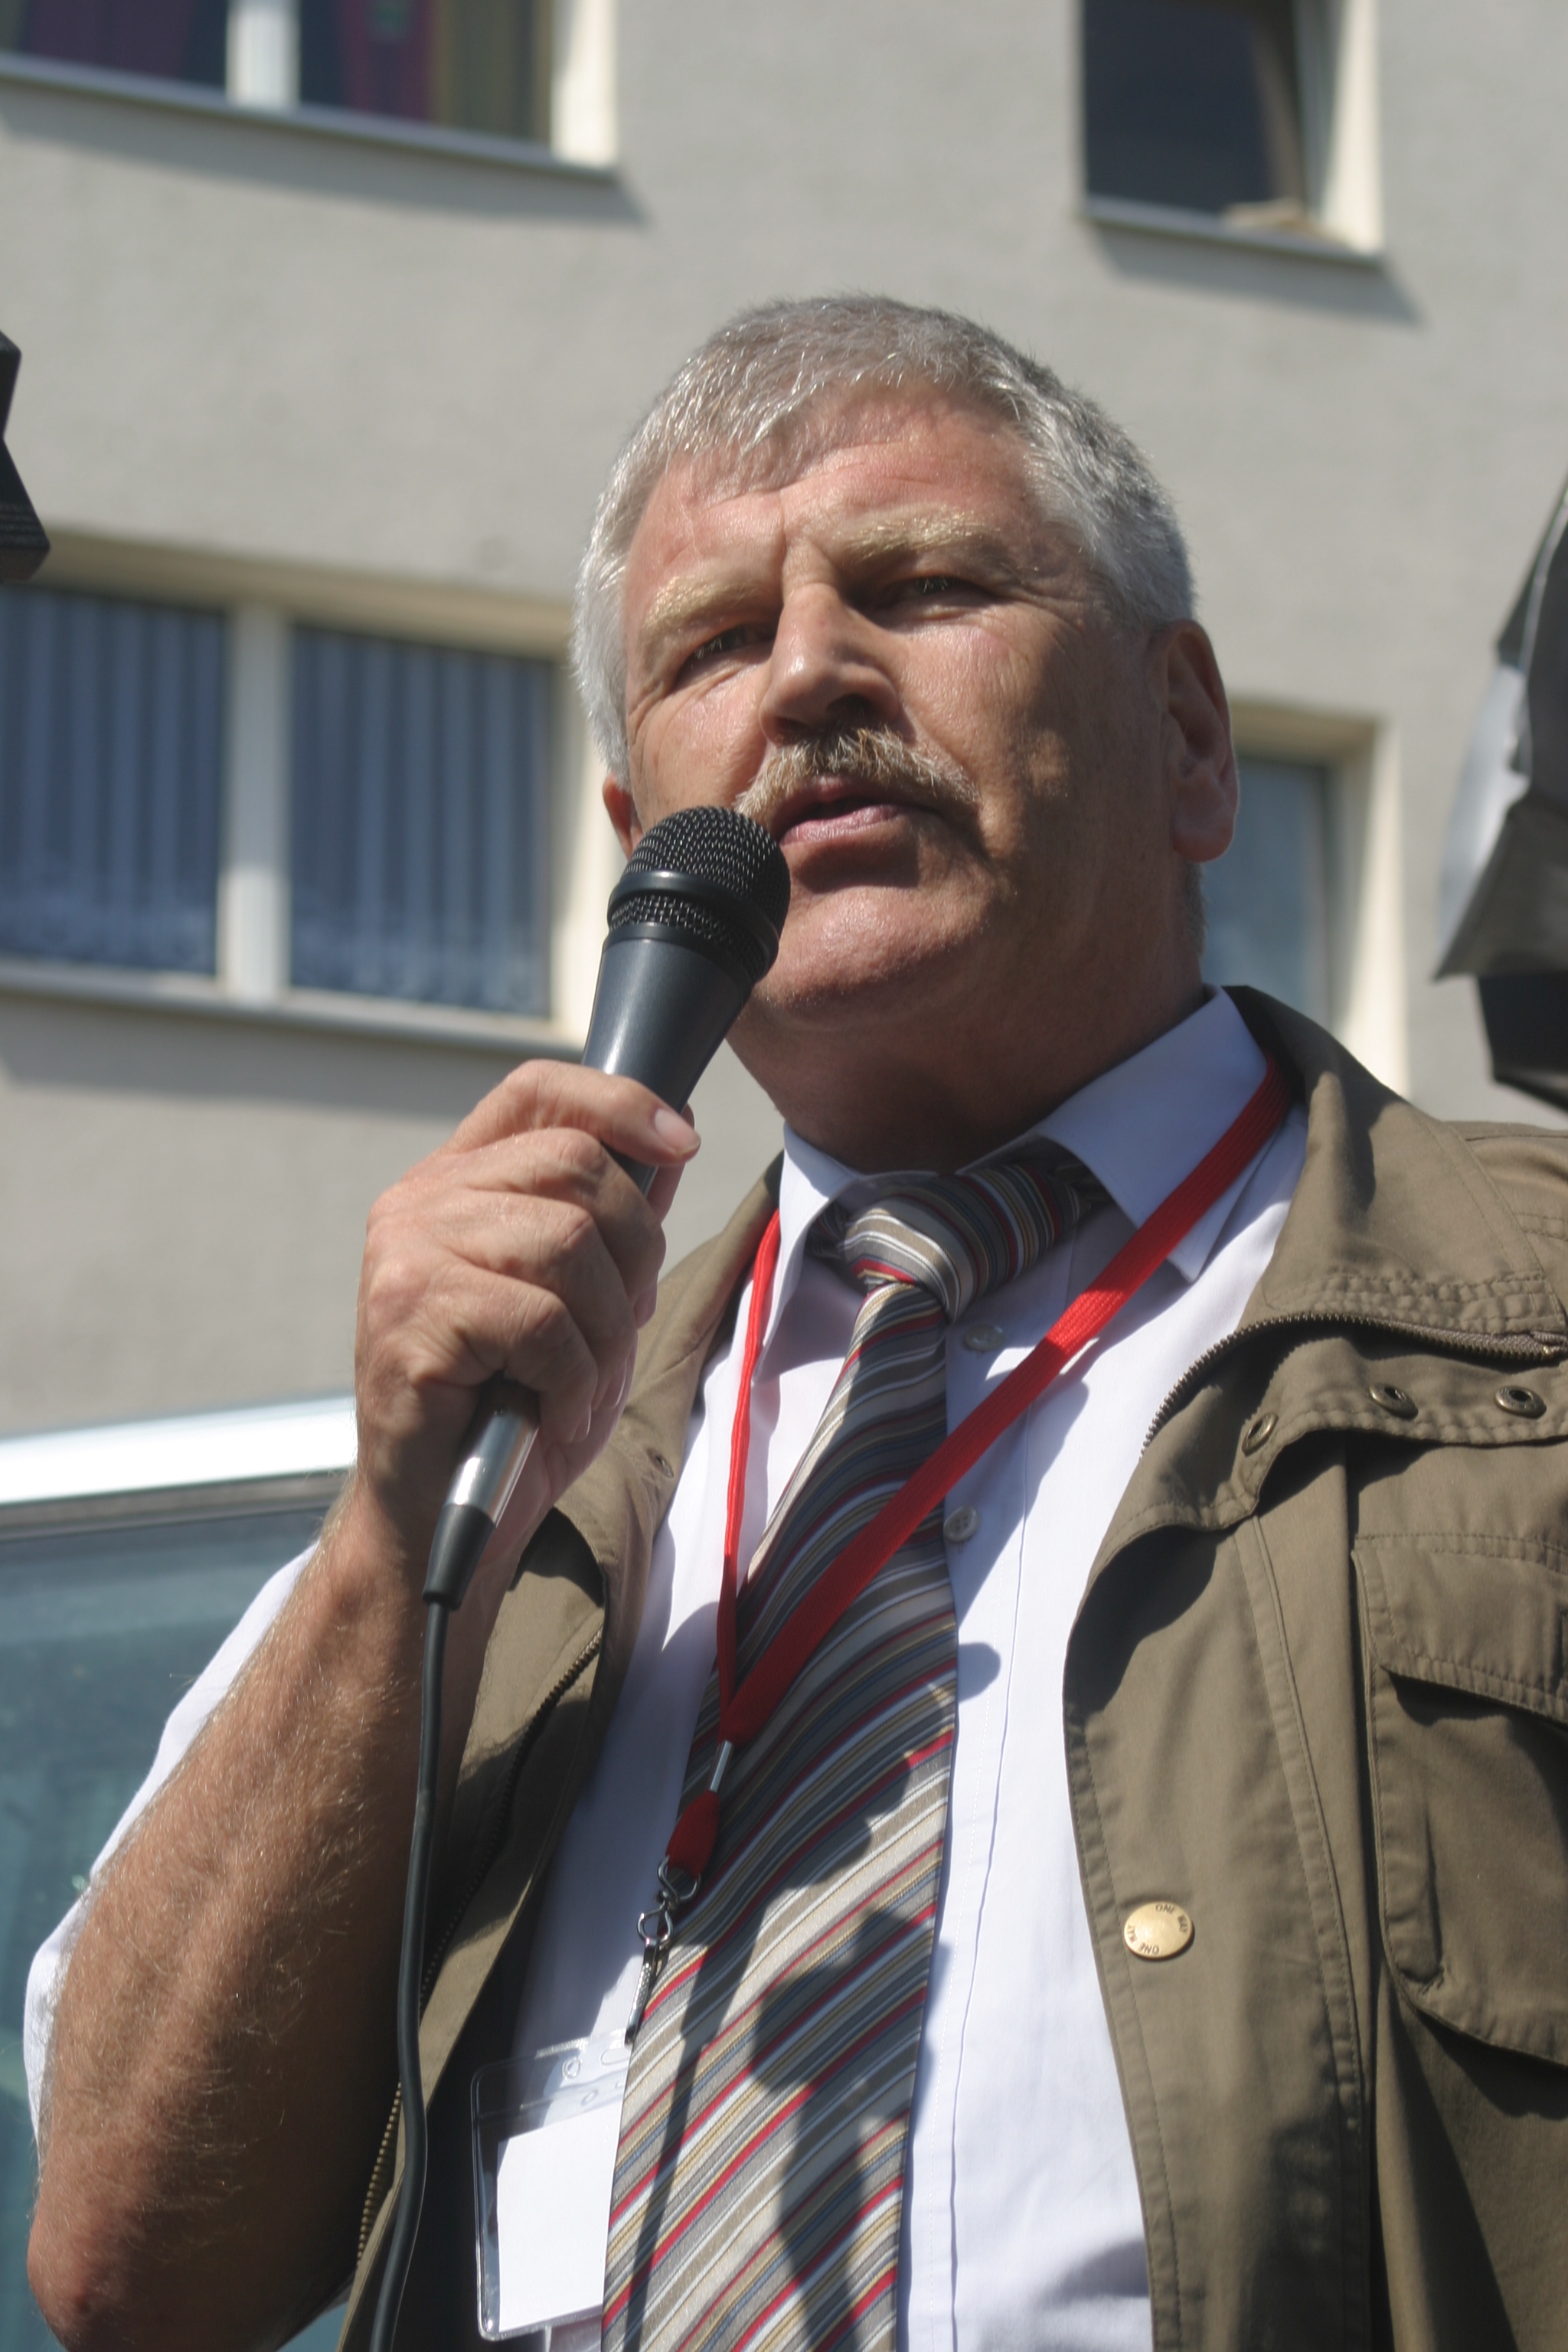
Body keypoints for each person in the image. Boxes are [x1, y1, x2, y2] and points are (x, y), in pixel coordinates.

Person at [25, 299, 1568, 2352]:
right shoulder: (518, 1467)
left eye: (925, 587)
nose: (813, 673)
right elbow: (134, 2265)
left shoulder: (1525, 1314)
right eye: (714, 644)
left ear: (1190, 740)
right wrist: (400, 1549)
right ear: (638, 847)